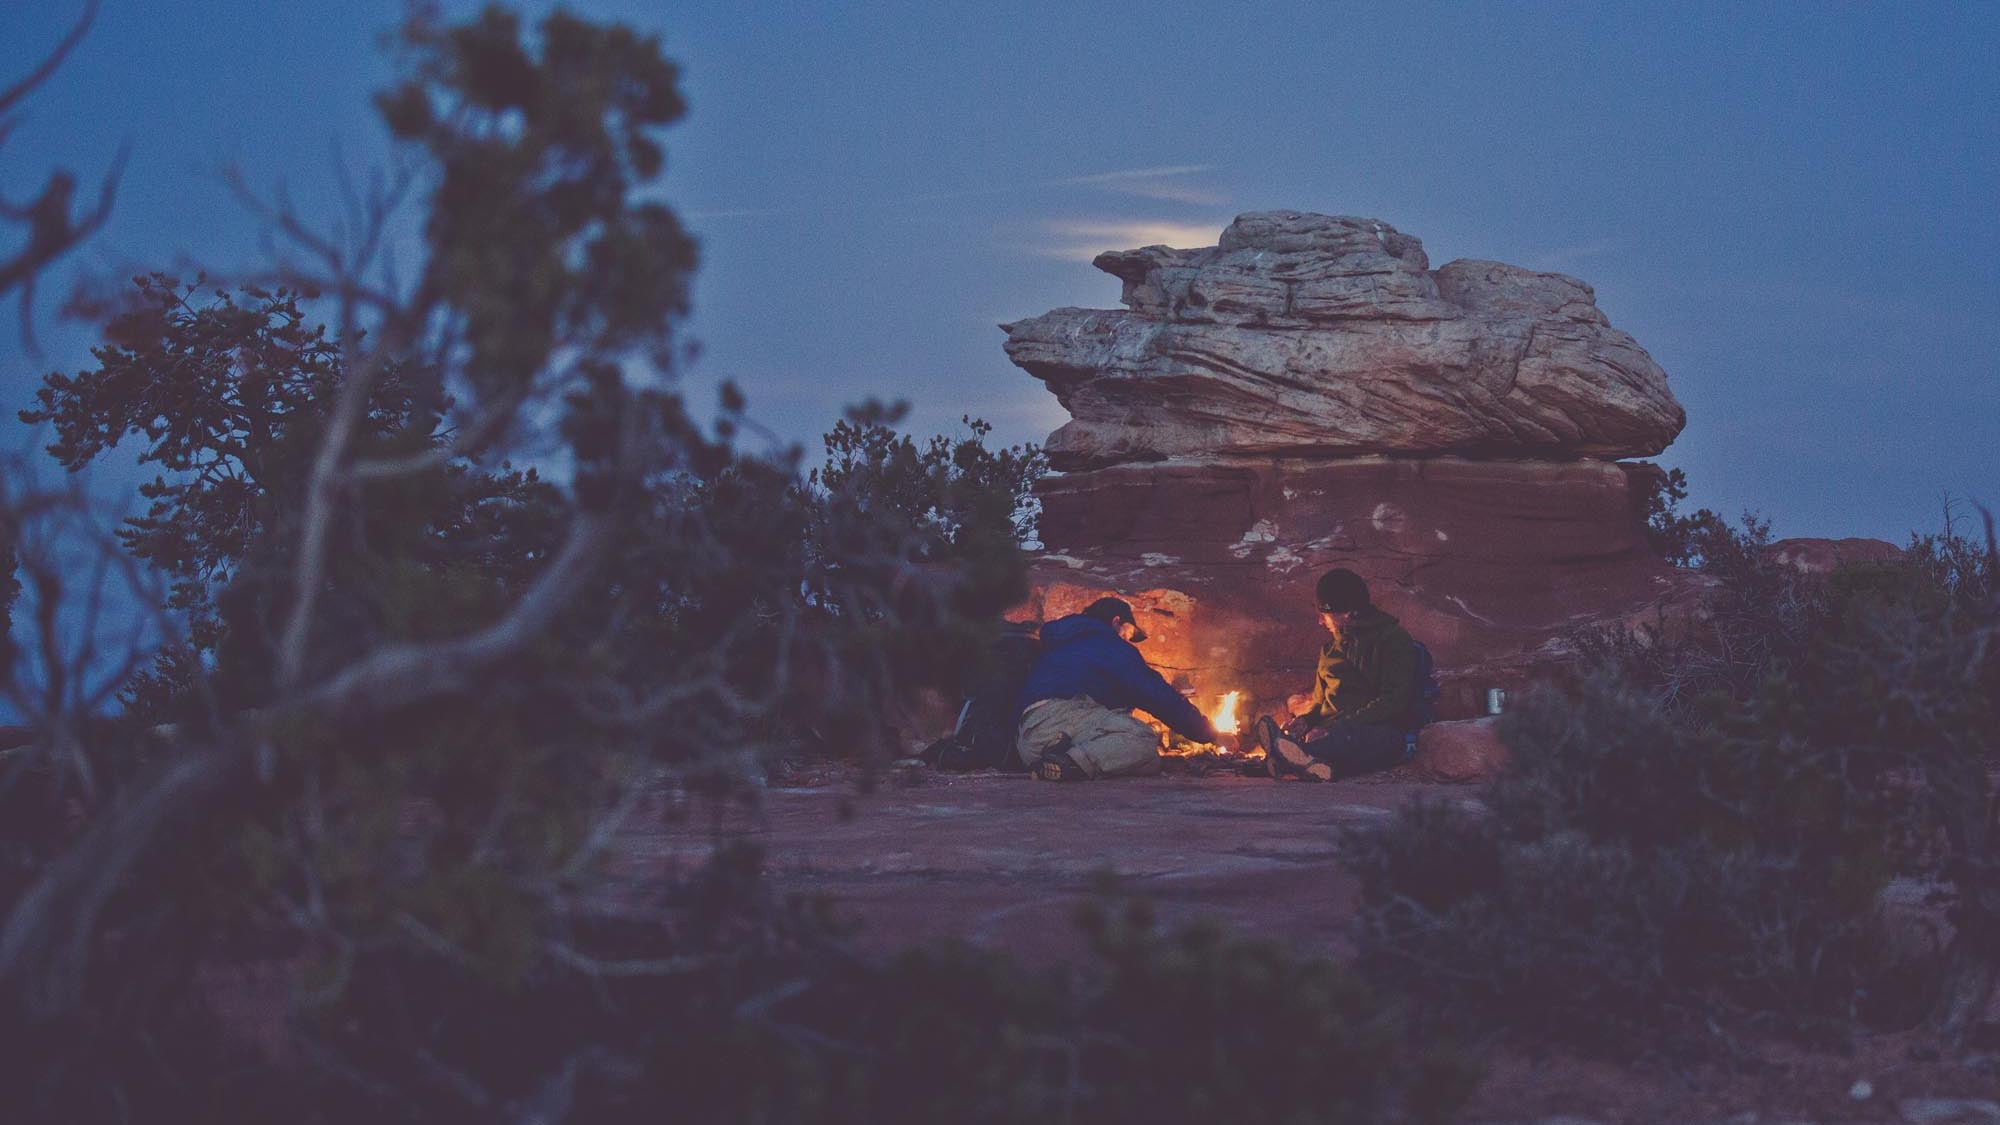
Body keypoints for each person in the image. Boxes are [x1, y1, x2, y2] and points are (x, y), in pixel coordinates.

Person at [1015, 596, 1220, 781]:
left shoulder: (1064, 642)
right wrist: (1209, 733)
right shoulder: (1108, 644)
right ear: (1116, 621)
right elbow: (1156, 694)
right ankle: (1070, 763)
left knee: (1150, 762)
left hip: (1031, 740)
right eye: (1129, 633)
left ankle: (1059, 754)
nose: (1128, 640)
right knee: (1144, 739)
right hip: (1061, 717)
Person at [1256, 568, 1418, 782]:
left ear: (1347, 613)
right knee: (1329, 745)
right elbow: (1320, 704)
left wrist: (1335, 729)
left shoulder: (1393, 640)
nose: (1320, 622)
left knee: (1375, 741)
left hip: (1372, 731)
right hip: (1329, 735)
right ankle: (1306, 762)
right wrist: (1306, 721)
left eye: (1324, 615)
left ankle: (1291, 759)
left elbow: (1394, 703)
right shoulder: (1329, 650)